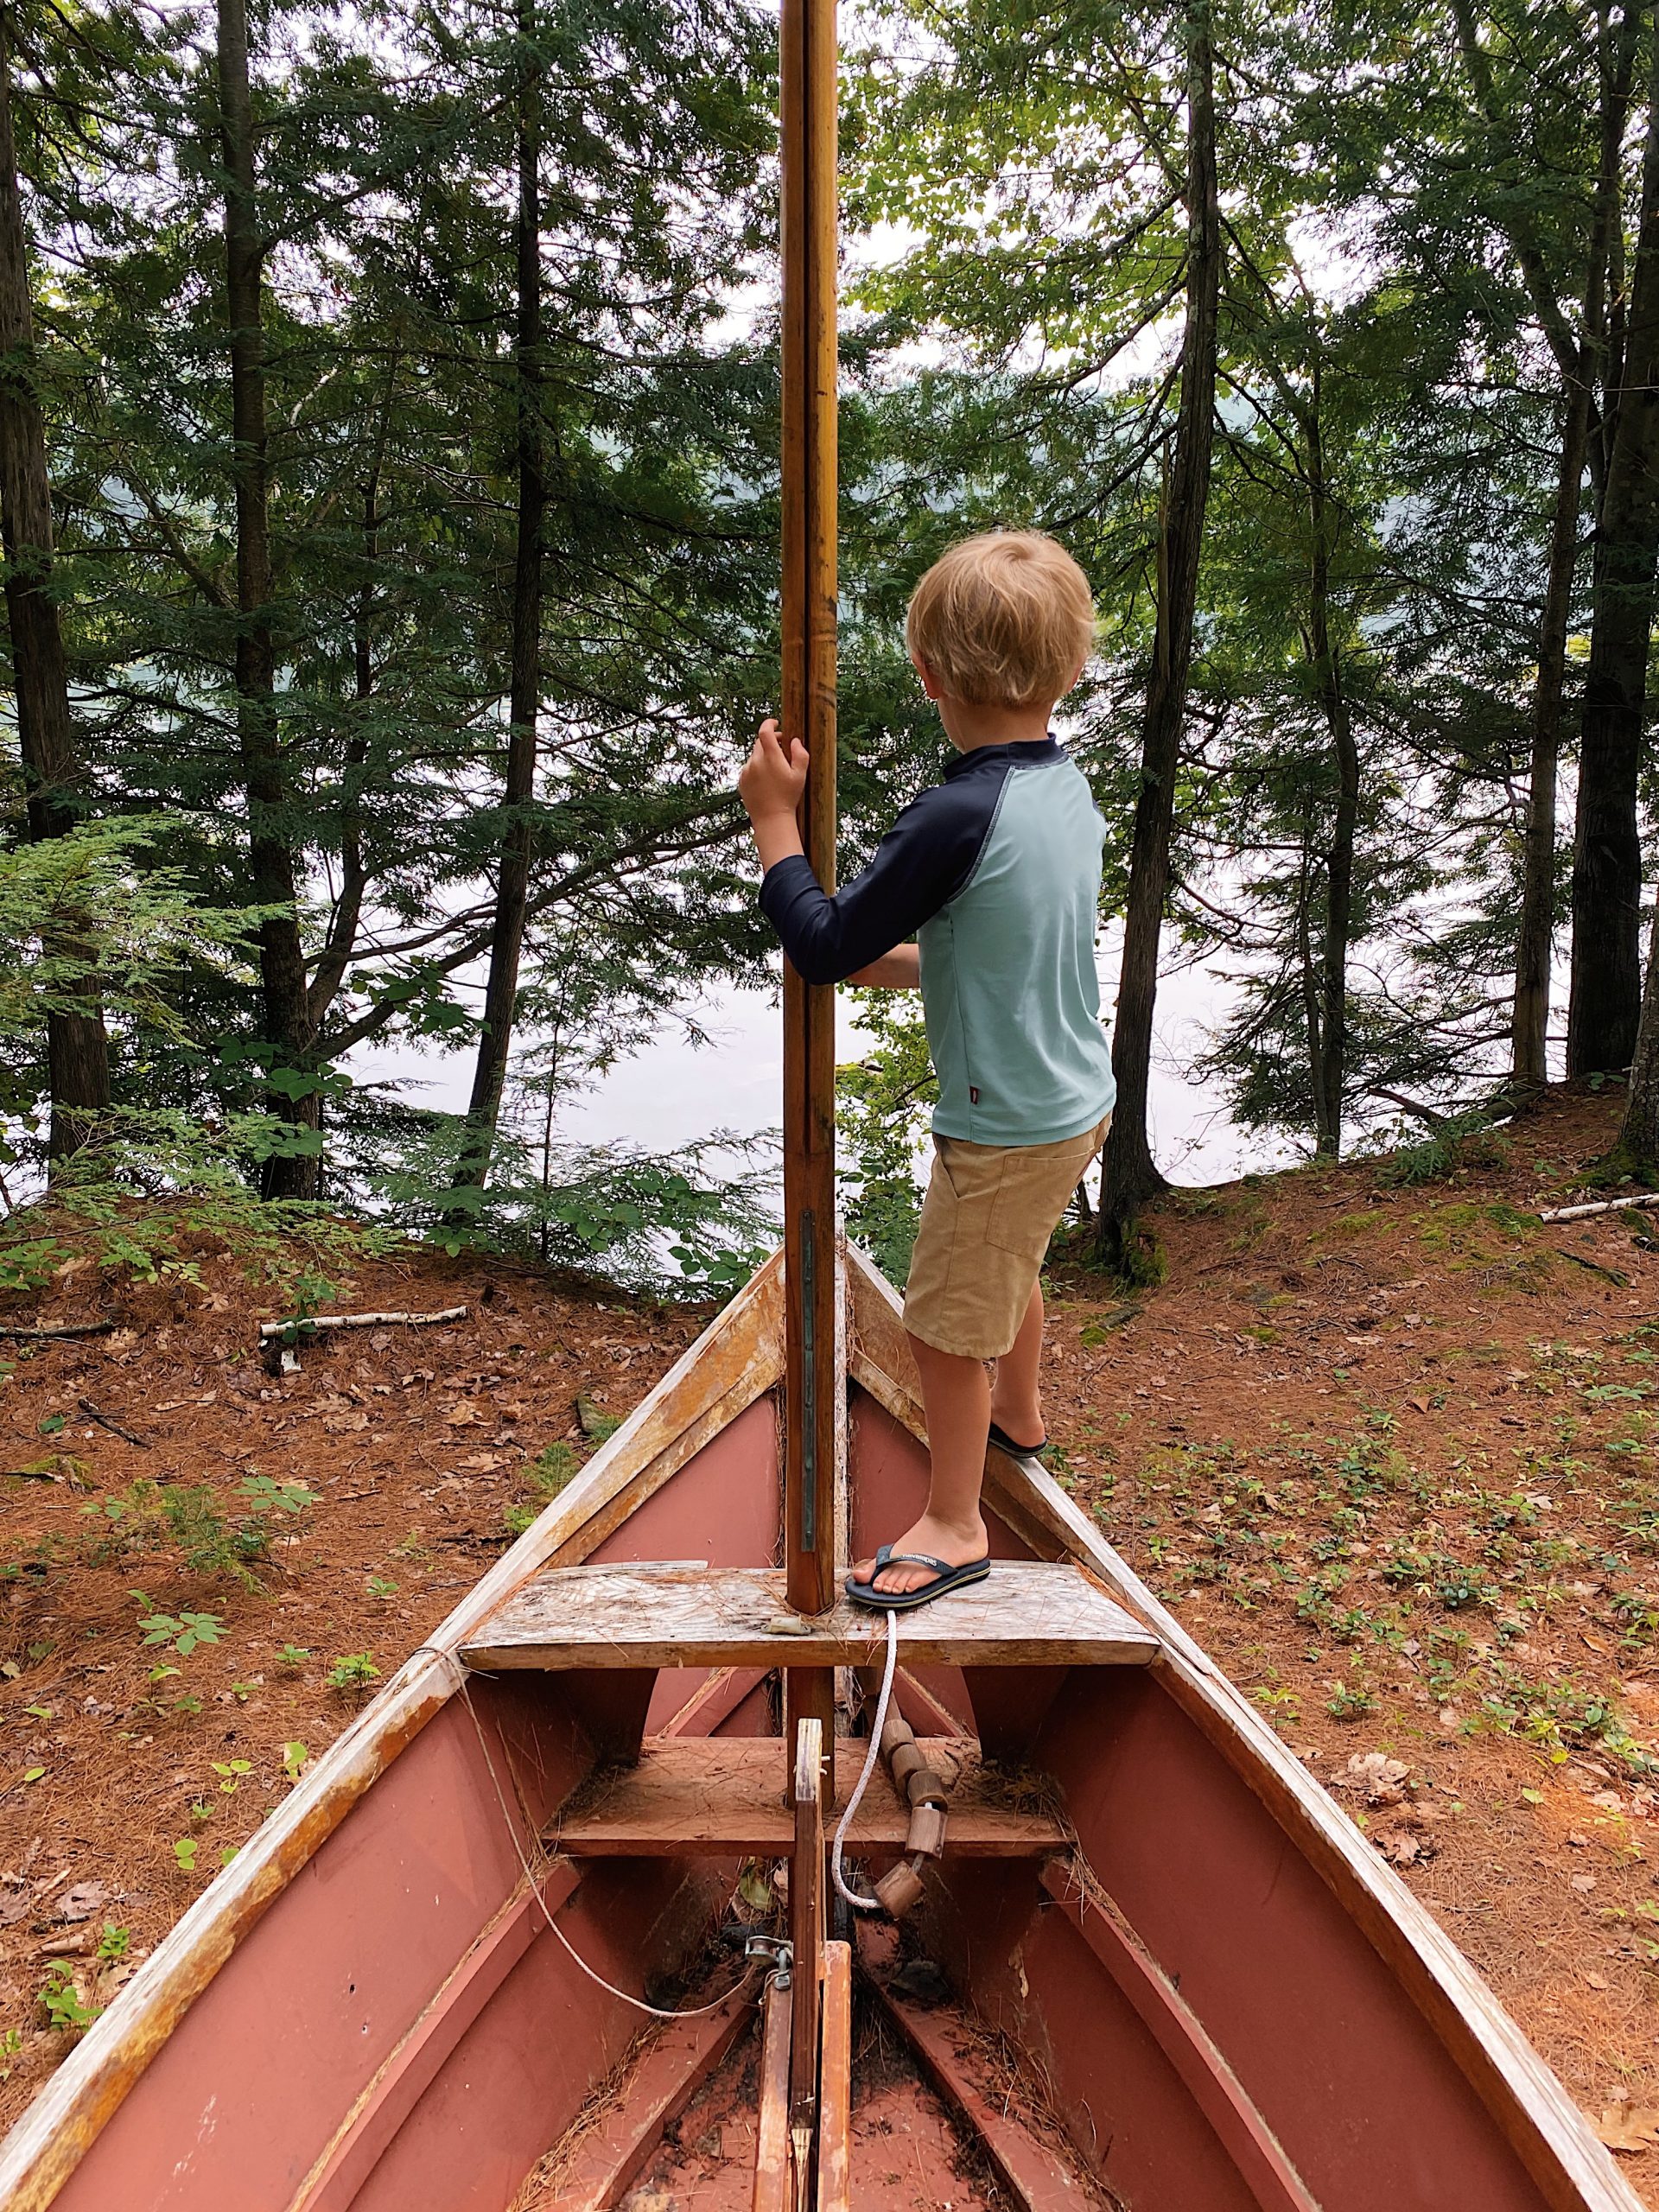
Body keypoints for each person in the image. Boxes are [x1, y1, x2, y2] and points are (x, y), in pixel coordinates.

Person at [738, 529, 1116, 1611]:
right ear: (1072, 667)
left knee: (946, 1320)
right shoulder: (1061, 788)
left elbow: (819, 943)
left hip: (1004, 1123)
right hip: (1072, 1095)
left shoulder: (956, 813)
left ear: (929, 673)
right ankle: (1020, 1415)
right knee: (1012, 1262)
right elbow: (999, 939)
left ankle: (956, 1520)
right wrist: (899, 959)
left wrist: (774, 823)